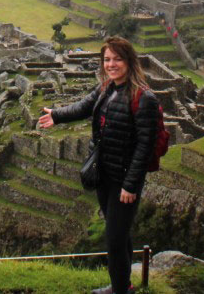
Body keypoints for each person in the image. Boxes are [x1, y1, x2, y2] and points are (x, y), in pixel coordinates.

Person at [38, 36, 159, 294]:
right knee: (120, 234)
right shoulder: (106, 88)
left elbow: (145, 147)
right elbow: (84, 107)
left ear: (129, 61)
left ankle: (118, 291)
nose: (111, 64)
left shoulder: (143, 98)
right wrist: (56, 116)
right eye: (107, 59)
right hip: (104, 174)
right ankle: (123, 285)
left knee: (114, 240)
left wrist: (131, 185)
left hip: (124, 180)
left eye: (117, 59)